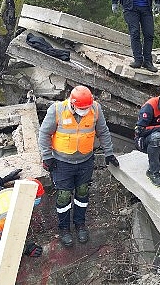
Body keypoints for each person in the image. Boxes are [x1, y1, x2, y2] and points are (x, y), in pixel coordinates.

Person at [38, 85, 118, 248]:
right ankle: (64, 229)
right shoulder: (57, 110)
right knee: (64, 196)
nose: (85, 110)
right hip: (62, 163)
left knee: (82, 193)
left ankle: (80, 224)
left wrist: (109, 152)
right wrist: (47, 157)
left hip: (85, 161)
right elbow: (44, 133)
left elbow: (103, 131)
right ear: (72, 103)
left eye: (87, 107)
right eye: (82, 108)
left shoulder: (95, 108)